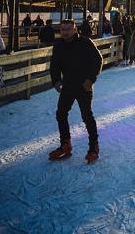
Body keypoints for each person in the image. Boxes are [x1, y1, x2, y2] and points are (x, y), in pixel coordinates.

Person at [48, 19, 103, 163]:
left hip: (84, 86)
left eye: (68, 29)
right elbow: (54, 65)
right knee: (61, 113)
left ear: (74, 30)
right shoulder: (59, 46)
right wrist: (56, 81)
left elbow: (98, 60)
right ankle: (65, 144)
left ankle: (93, 147)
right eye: (63, 30)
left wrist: (90, 79)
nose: (65, 32)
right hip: (68, 85)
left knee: (86, 115)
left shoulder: (85, 43)